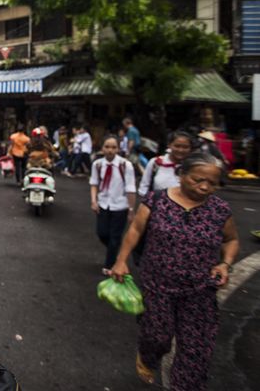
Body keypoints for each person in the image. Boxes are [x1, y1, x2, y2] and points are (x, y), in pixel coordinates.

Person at [109, 153, 239, 390]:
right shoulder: (156, 200)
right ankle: (148, 357)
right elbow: (136, 230)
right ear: (181, 175)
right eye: (198, 179)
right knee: (156, 336)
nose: (205, 187)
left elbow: (231, 240)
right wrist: (121, 260)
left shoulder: (220, 209)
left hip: (201, 289)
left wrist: (225, 263)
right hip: (158, 284)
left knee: (196, 351)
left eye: (213, 183)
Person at [89, 135, 136, 272]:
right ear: (102, 148)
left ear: (118, 148)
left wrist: (131, 209)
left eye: (113, 147)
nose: (110, 150)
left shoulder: (125, 165)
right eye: (107, 147)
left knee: (115, 236)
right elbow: (94, 184)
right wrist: (93, 201)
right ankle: (114, 253)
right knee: (102, 233)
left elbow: (130, 188)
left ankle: (110, 266)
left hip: (120, 206)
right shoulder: (97, 164)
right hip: (103, 204)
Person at [138, 130, 195, 198]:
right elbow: (144, 186)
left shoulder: (193, 167)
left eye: (185, 147)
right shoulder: (156, 163)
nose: (181, 150)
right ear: (169, 145)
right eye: (177, 146)